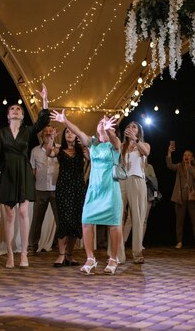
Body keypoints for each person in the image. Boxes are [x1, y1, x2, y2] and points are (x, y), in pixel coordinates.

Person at [50, 109, 123, 275]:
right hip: (94, 189)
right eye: (100, 122)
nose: (101, 124)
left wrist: (109, 130)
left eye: (105, 122)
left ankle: (113, 258)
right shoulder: (92, 143)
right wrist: (64, 120)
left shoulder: (114, 143)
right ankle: (90, 259)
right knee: (86, 221)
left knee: (113, 224)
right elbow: (78, 131)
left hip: (110, 189)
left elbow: (116, 143)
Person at [0, 84, 50, 269]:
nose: (15, 110)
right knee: (9, 215)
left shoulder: (27, 131)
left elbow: (43, 121)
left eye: (18, 109)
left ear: (22, 116)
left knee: (23, 212)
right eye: (12, 109)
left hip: (23, 170)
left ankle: (23, 254)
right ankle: (10, 254)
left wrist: (45, 100)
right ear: (8, 116)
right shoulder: (1, 132)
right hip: (7, 171)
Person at [46, 127, 89, 267]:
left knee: (75, 222)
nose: (69, 134)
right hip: (63, 188)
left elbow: (91, 158)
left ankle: (70, 255)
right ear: (63, 136)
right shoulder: (59, 150)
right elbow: (49, 153)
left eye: (72, 132)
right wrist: (51, 139)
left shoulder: (81, 151)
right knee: (64, 220)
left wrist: (84, 143)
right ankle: (61, 254)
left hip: (78, 189)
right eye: (67, 132)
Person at [117, 121, 151, 264]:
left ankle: (137, 253)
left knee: (137, 218)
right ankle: (118, 254)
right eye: (128, 126)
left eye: (134, 127)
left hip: (137, 180)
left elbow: (146, 152)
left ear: (139, 132)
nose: (130, 128)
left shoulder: (144, 144)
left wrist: (135, 140)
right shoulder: (122, 147)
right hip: (122, 181)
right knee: (118, 217)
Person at [28, 125, 59, 255]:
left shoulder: (60, 149)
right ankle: (32, 247)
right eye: (45, 131)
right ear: (41, 135)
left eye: (50, 131)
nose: (47, 133)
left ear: (55, 133)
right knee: (36, 220)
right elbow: (33, 171)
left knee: (61, 219)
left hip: (57, 189)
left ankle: (60, 246)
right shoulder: (35, 151)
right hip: (40, 189)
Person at [167, 145, 195, 250]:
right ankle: (179, 241)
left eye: (189, 155)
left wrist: (190, 167)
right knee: (179, 221)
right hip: (180, 197)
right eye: (185, 155)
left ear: (192, 157)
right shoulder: (179, 166)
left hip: (192, 198)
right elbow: (169, 165)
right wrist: (169, 153)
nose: (186, 156)